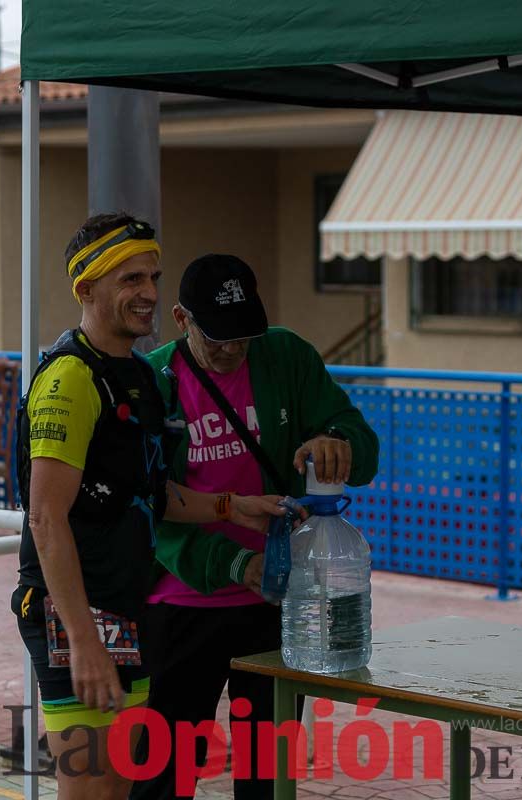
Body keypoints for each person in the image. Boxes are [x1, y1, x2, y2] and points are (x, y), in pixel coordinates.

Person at [14, 214, 285, 800]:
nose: (149, 294)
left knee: (118, 789)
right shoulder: (70, 378)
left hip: (123, 609)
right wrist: (84, 641)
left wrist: (235, 507)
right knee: (89, 791)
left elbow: (152, 493)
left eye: (153, 277)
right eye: (130, 279)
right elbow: (44, 517)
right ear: (85, 290)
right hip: (72, 615)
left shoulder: (137, 374)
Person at [130, 254, 379, 800]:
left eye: (243, 336)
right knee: (164, 774)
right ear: (181, 319)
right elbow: (148, 508)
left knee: (269, 775)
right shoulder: (154, 382)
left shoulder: (285, 355)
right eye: (216, 337)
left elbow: (361, 443)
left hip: (276, 606)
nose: (231, 350)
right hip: (183, 606)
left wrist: (336, 441)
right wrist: (234, 564)